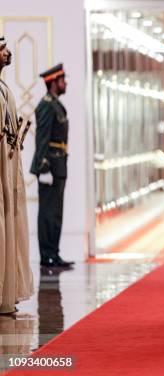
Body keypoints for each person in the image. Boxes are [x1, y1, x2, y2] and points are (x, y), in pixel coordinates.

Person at [0, 35, 34, 314]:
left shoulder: (4, 89)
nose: (8, 52)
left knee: (10, 227)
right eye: (2, 49)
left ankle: (6, 293)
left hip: (8, 172)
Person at [30, 63, 73, 268]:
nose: (65, 83)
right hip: (50, 166)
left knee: (55, 213)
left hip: (59, 165)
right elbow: (42, 138)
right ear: (54, 82)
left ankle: (53, 253)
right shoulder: (47, 105)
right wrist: (43, 166)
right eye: (62, 80)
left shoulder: (56, 104)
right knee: (47, 213)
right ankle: (46, 254)